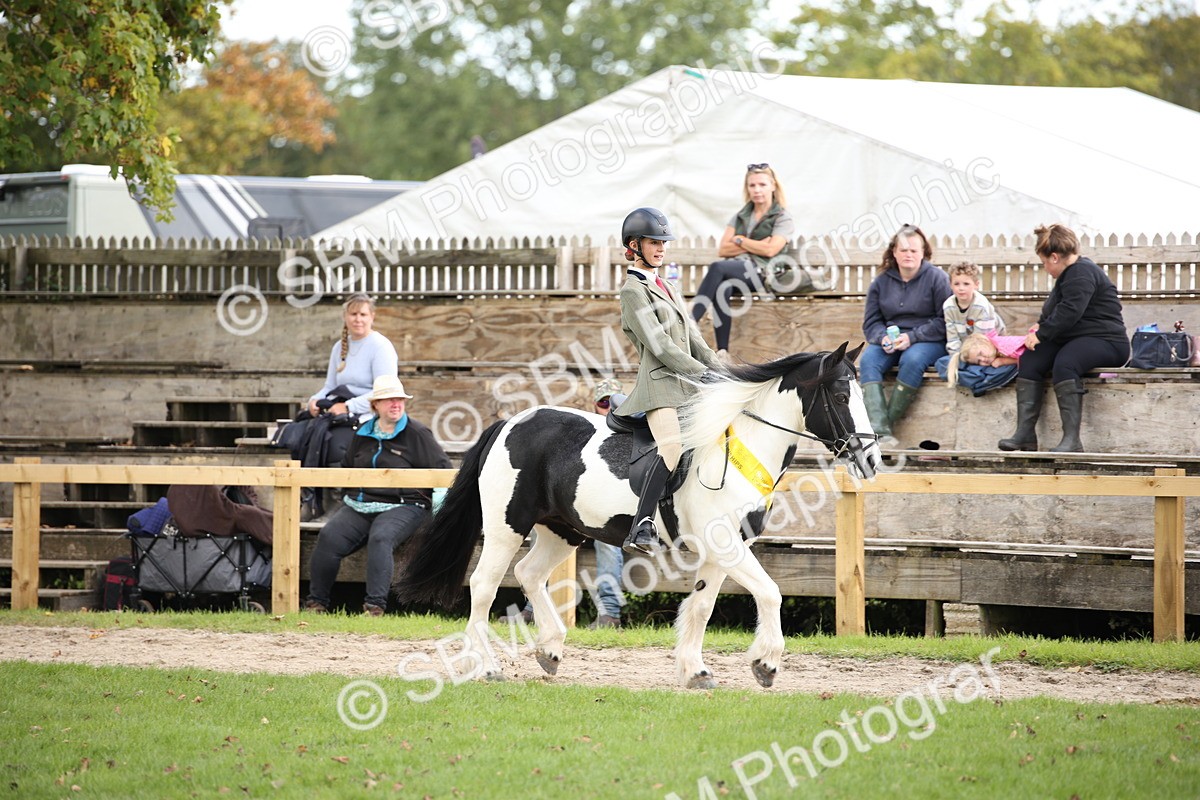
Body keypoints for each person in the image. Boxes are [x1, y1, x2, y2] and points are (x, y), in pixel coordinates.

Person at [616, 207, 721, 555]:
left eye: (663, 242)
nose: (661, 248)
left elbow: (694, 337)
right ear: (634, 245)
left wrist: (719, 368)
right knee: (672, 447)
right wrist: (700, 373)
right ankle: (641, 525)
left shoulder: (669, 286)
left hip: (688, 384)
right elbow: (659, 345)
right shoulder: (633, 292)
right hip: (659, 385)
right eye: (653, 242)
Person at [304, 375, 451, 616]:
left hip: (405, 505)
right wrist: (348, 496)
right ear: (376, 405)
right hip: (361, 503)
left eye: (399, 400)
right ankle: (316, 603)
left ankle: (374, 607)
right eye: (389, 400)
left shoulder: (417, 433)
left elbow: (443, 471)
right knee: (329, 536)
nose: (396, 404)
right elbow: (347, 468)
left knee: (381, 537)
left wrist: (441, 515)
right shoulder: (362, 433)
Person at [499, 378, 628, 628]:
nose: (609, 408)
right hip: (574, 510)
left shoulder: (630, 435)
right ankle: (531, 608)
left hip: (607, 514)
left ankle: (609, 614)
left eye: (615, 402)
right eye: (604, 402)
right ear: (595, 405)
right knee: (541, 531)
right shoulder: (583, 434)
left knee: (608, 546)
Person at [998, 224, 1130, 453]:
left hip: (1107, 341)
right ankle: (1025, 434)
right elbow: (1056, 311)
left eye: (1044, 263)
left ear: (1055, 257)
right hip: (1076, 338)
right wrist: (1040, 325)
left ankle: (1072, 441)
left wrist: (1041, 334)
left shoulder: (1081, 272)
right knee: (1031, 359)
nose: (1046, 268)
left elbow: (1070, 312)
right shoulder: (1069, 275)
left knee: (1066, 363)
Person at [690, 163, 796, 357]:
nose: (757, 190)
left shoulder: (782, 217)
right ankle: (723, 353)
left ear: (773, 185)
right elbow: (723, 249)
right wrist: (755, 244)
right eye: (752, 185)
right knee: (724, 288)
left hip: (764, 273)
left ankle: (689, 323)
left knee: (717, 268)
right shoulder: (741, 216)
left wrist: (739, 240)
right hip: (740, 271)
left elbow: (771, 250)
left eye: (762, 185)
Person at [860, 225, 952, 441]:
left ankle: (880, 429)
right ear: (894, 252)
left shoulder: (937, 278)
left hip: (929, 339)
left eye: (913, 250)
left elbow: (946, 320)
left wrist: (913, 337)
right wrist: (882, 337)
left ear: (923, 252)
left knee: (912, 359)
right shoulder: (881, 282)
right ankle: (881, 433)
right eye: (903, 250)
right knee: (868, 361)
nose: (908, 254)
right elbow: (871, 322)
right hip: (890, 340)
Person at [307, 293, 399, 420]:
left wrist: (349, 406)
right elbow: (330, 386)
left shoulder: (381, 346)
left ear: (372, 317)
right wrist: (314, 400)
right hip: (339, 411)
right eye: (353, 314)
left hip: (369, 416)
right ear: (345, 317)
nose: (358, 319)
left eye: (363, 314)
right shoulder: (338, 347)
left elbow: (385, 392)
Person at [936, 262, 1017, 395]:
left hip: (987, 353)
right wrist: (958, 357)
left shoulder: (981, 306)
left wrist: (967, 359)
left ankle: (975, 378)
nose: (961, 288)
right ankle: (980, 380)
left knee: (1002, 368)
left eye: (966, 284)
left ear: (976, 284)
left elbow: (981, 342)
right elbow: (952, 336)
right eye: (957, 284)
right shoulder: (948, 306)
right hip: (967, 353)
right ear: (950, 285)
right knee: (942, 364)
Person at [944, 331, 1023, 386]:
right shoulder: (995, 351)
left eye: (981, 353)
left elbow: (1027, 357)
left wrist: (1004, 361)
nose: (983, 359)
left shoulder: (1004, 346)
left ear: (986, 342)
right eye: (978, 361)